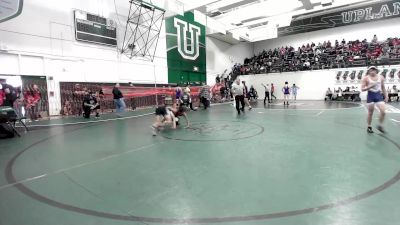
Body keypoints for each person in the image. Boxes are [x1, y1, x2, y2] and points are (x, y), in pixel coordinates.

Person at [361, 66, 388, 133]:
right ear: (368, 71)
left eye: (374, 70)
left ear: (376, 71)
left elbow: (383, 87)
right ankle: (369, 126)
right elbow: (362, 89)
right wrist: (370, 86)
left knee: (383, 111)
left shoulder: (381, 77)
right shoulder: (366, 78)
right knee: (370, 113)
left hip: (378, 95)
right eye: (371, 70)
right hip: (370, 95)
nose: (372, 71)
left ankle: (380, 125)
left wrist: (386, 96)